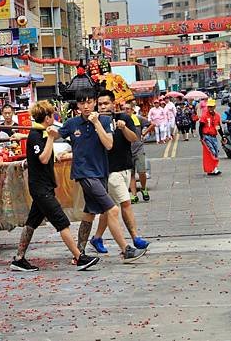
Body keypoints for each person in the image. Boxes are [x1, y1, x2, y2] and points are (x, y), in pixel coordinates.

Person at [58, 88, 146, 264]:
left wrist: (97, 123)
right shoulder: (72, 123)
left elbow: (109, 144)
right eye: (82, 103)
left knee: (89, 213)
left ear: (94, 103)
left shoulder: (105, 121)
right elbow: (55, 136)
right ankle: (125, 250)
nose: (86, 106)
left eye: (89, 102)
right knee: (113, 209)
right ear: (77, 105)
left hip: (101, 173)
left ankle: (79, 253)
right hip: (84, 174)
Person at [10, 100, 99, 272]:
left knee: (31, 223)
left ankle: (19, 258)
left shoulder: (42, 133)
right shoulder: (36, 135)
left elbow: (48, 154)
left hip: (45, 186)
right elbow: (42, 158)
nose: (54, 118)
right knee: (61, 221)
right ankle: (79, 257)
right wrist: (50, 138)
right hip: (40, 188)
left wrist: (52, 145)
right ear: (47, 117)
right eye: (52, 115)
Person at [89, 91, 150, 254]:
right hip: (108, 171)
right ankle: (135, 237)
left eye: (106, 103)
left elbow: (133, 139)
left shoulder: (124, 117)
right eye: (100, 104)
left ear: (113, 104)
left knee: (110, 208)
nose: (102, 107)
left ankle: (97, 238)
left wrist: (123, 128)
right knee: (125, 203)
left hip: (125, 167)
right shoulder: (95, 122)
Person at [127, 102, 153, 204]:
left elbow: (151, 124)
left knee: (141, 171)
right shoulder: (121, 120)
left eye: (128, 109)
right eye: (124, 109)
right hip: (127, 151)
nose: (126, 111)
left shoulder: (138, 119)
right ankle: (134, 195)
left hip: (138, 149)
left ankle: (143, 188)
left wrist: (144, 133)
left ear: (132, 110)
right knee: (131, 174)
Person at [199, 98, 223, 176]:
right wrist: (201, 137)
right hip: (207, 136)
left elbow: (218, 127)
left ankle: (213, 169)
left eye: (212, 107)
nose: (210, 108)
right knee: (211, 151)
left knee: (215, 152)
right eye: (209, 107)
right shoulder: (204, 116)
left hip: (214, 137)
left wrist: (223, 136)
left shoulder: (217, 116)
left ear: (214, 107)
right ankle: (213, 169)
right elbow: (200, 127)